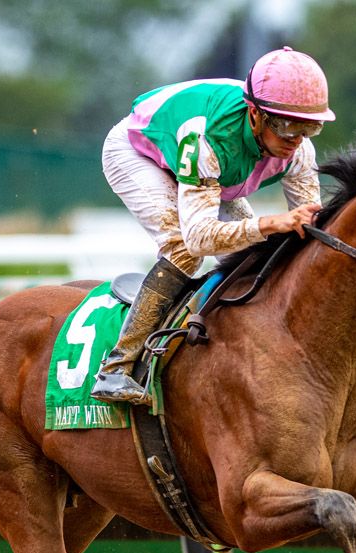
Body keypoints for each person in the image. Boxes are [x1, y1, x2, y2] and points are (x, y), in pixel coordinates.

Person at [90, 47, 335, 405]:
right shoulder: (206, 137)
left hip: (217, 173)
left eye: (309, 128)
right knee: (182, 249)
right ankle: (117, 368)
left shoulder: (299, 150)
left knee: (252, 249)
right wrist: (271, 222)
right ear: (255, 114)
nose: (296, 139)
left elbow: (310, 229)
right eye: (287, 126)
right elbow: (200, 237)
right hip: (140, 154)